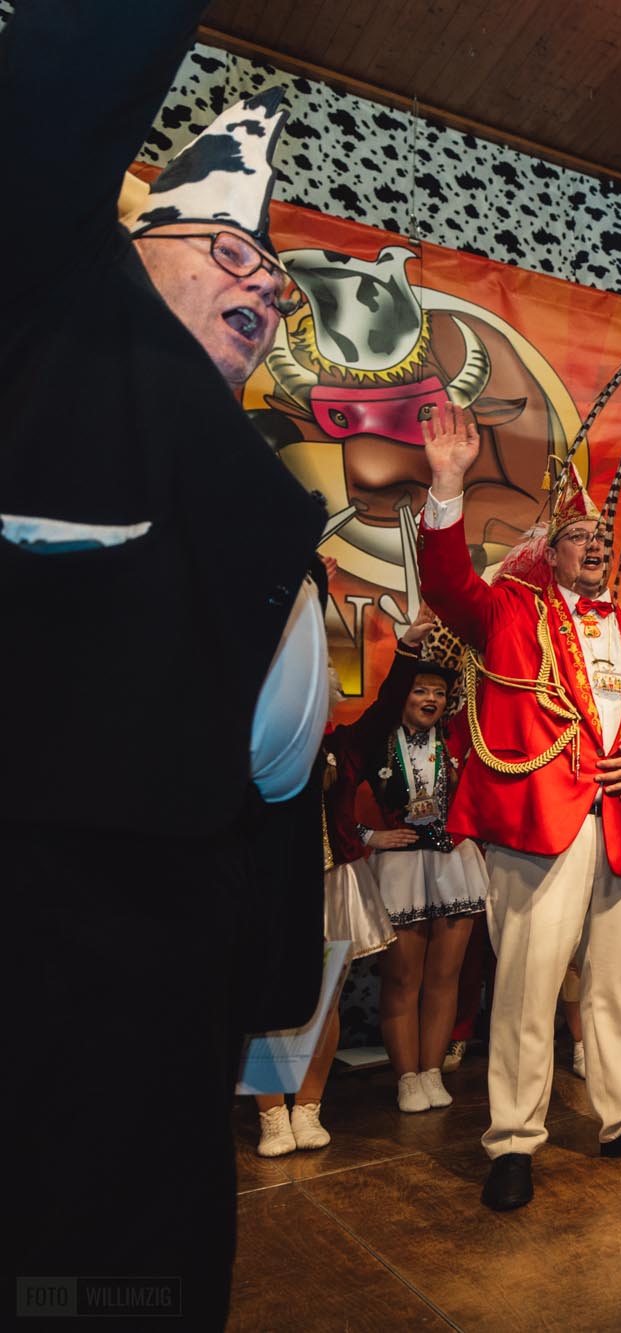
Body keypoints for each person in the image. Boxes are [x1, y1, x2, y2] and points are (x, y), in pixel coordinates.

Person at [3, 5, 329, 1316]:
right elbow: (51, 108)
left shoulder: (258, 470)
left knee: (155, 1273)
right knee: (57, 1269)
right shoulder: (54, 325)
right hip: (43, 949)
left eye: (277, 281)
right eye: (231, 252)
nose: (265, 286)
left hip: (178, 965)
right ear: (127, 251)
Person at [417, 405, 621, 1212]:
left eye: (601, 537)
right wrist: (447, 486)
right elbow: (445, 585)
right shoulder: (511, 612)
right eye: (579, 536)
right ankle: (513, 1139)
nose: (595, 546)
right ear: (550, 550)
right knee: (527, 985)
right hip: (541, 821)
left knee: (616, 983)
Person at [325, 612, 489, 1112]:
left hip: (453, 864)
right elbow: (336, 799)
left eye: (438, 692)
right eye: (420, 691)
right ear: (404, 697)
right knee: (402, 980)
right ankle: (407, 1077)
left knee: (445, 979)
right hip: (401, 869)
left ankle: (432, 1070)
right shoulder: (377, 739)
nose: (430, 699)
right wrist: (369, 836)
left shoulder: (458, 736)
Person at [257, 734, 399, 1158]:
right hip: (271, 880)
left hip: (331, 878)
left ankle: (308, 1106)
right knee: (266, 998)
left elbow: (384, 711)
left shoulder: (338, 744)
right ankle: (271, 1114)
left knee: (326, 998)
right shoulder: (251, 736)